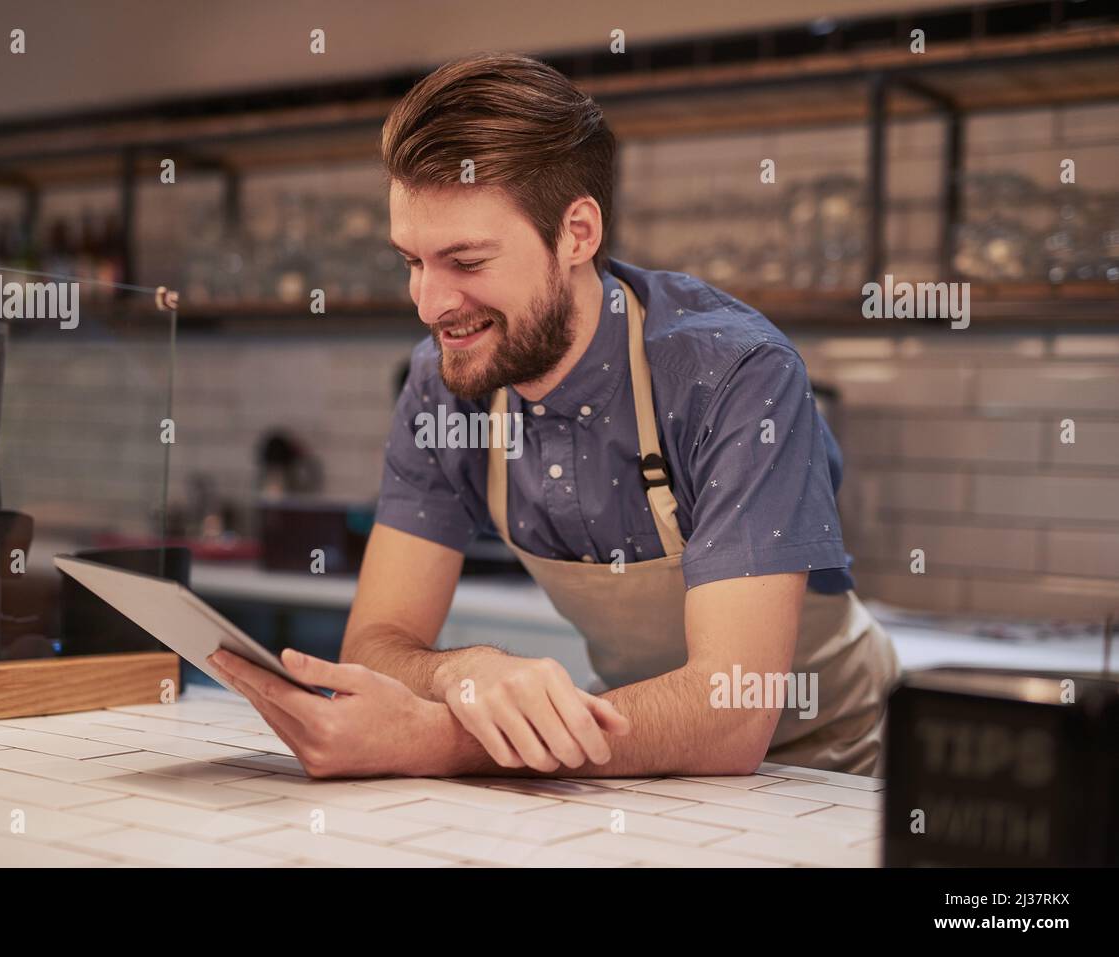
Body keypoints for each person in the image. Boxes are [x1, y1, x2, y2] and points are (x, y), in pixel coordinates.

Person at [208, 51, 900, 780]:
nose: (430, 304)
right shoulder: (444, 386)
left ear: (577, 233)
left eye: (466, 262)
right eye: (411, 261)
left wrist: (441, 740)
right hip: (630, 750)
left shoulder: (734, 375)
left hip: (831, 772)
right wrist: (465, 672)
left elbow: (731, 713)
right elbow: (374, 644)